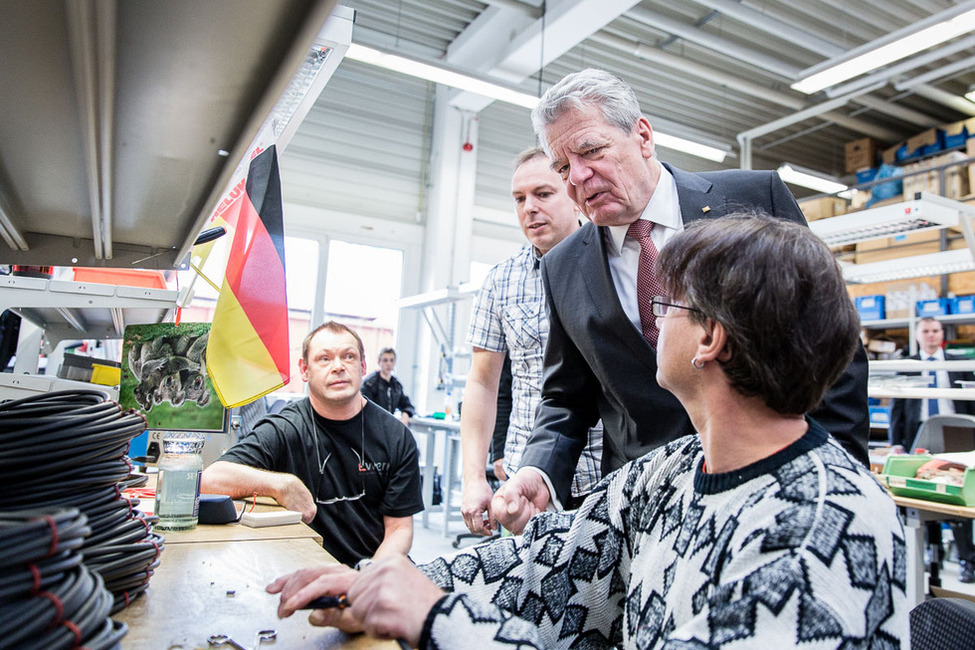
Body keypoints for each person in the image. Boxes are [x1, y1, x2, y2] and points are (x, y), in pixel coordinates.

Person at [267, 214, 908, 648]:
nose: (650, 324)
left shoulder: (821, 530)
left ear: (710, 339)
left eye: (666, 306)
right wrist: (380, 584)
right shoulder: (672, 471)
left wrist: (436, 620)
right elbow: (540, 565)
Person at [494, 68, 869, 532]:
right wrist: (539, 471)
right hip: (645, 501)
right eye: (563, 166)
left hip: (775, 481)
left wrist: (841, 473)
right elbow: (565, 396)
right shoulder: (562, 265)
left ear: (643, 136)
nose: (579, 177)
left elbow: (831, 344)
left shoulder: (752, 200)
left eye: (591, 151)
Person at [460, 147, 602, 536]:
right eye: (520, 199)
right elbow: (483, 383)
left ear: (573, 197)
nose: (529, 208)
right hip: (527, 487)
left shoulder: (614, 264)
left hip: (609, 474)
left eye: (543, 194)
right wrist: (475, 476)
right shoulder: (500, 281)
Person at [201, 322, 424, 567]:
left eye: (348, 357)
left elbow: (400, 529)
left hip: (373, 568)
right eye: (324, 359)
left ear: (362, 366)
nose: (338, 367)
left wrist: (366, 578)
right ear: (305, 370)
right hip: (304, 570)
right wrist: (281, 484)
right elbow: (211, 479)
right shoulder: (285, 428)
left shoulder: (395, 436)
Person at [889, 315, 975, 583]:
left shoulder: (957, 362)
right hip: (921, 433)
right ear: (917, 335)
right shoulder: (909, 365)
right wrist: (896, 442)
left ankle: (967, 559)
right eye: (925, 331)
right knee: (926, 494)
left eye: (935, 330)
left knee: (957, 494)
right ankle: (932, 555)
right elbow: (897, 406)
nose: (931, 335)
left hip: (956, 434)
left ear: (942, 334)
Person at [360, 347, 416, 427]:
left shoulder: (396, 385)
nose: (388, 364)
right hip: (371, 428)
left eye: (391, 360)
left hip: (388, 427)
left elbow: (407, 405)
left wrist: (405, 414)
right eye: (385, 360)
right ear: (379, 362)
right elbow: (366, 410)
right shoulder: (369, 384)